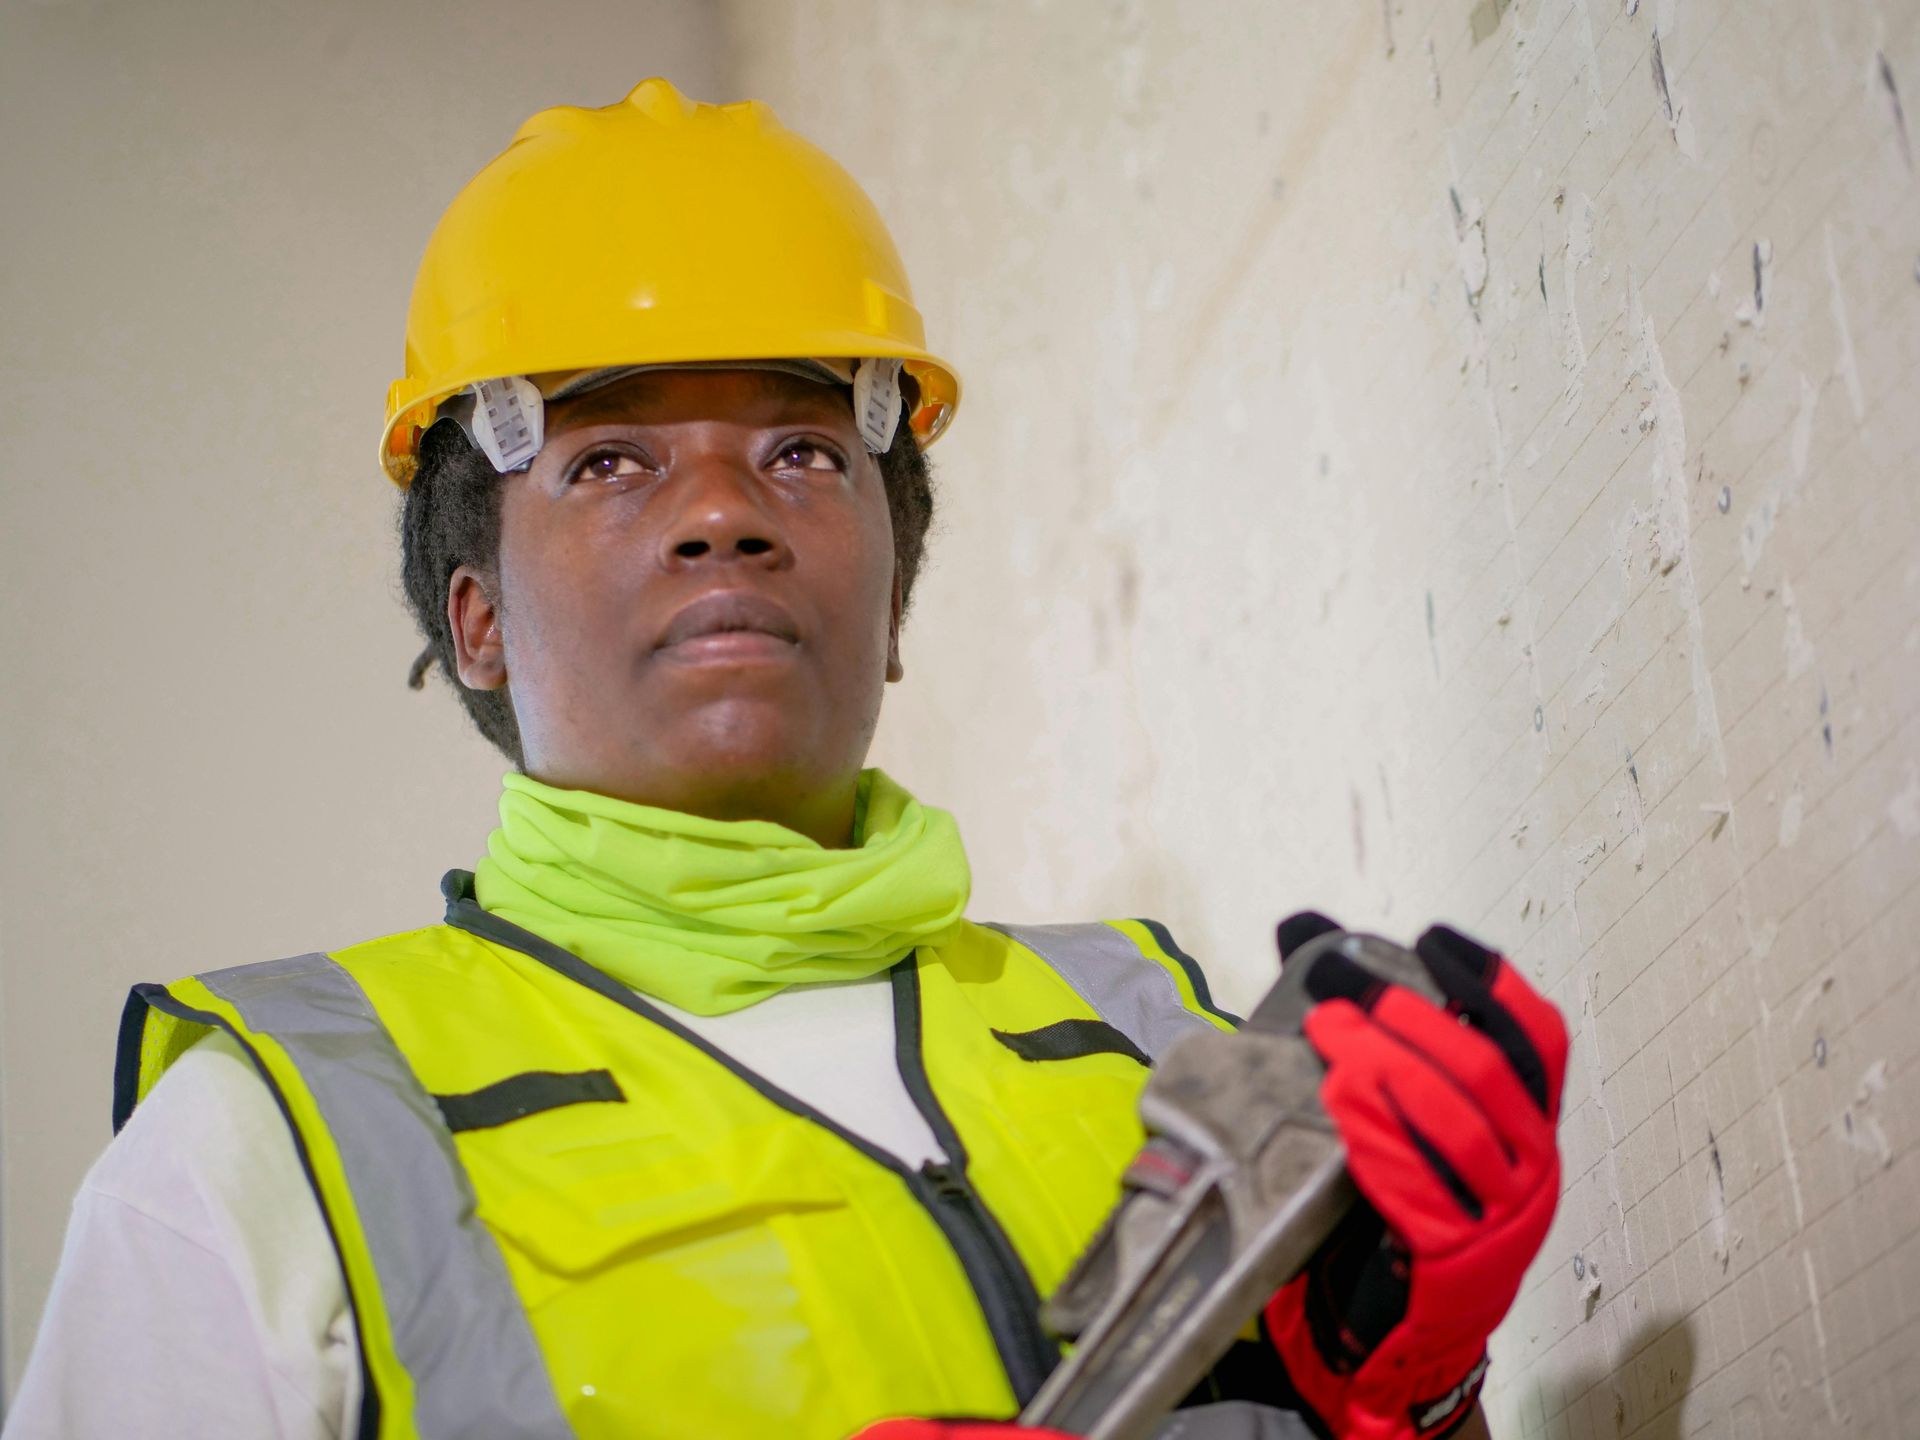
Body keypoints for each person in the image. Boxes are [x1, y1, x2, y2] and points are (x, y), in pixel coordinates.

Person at [4, 79, 1566, 1440]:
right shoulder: (270, 1146)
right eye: (609, 459)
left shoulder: (1164, 1047)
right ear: (475, 623)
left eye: (803, 452)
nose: (724, 513)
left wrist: (1417, 1401)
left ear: (892, 600)